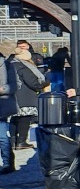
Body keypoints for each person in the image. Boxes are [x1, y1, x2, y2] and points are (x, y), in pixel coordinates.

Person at [8, 46, 48, 151]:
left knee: (14, 119)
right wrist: (43, 84)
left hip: (12, 96)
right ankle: (21, 142)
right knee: (25, 119)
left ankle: (12, 141)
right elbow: (32, 82)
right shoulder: (22, 66)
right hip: (24, 97)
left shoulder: (9, 64)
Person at [0, 44, 19, 174]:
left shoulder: (7, 65)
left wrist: (2, 89)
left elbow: (16, 85)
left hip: (2, 104)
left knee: (2, 137)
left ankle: (7, 163)